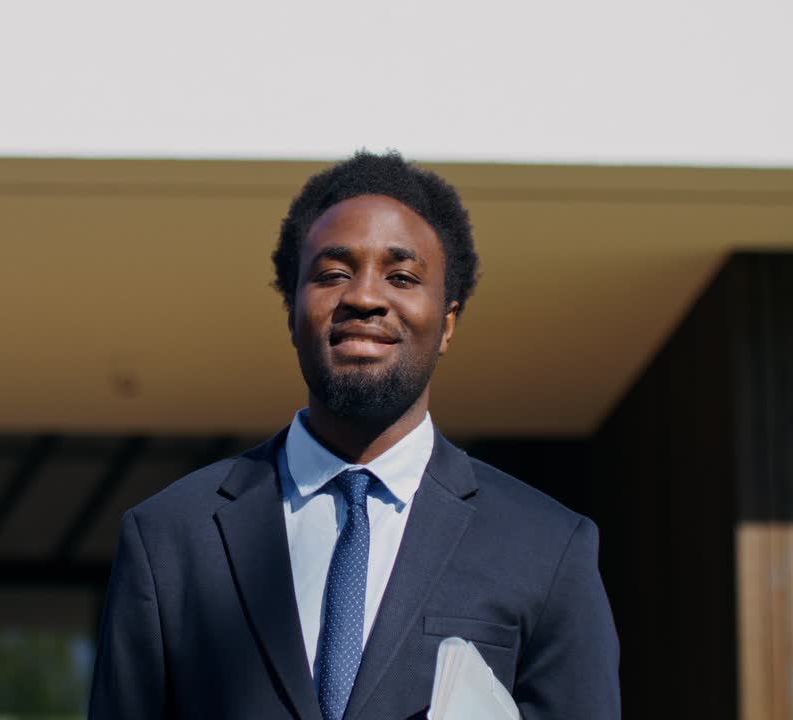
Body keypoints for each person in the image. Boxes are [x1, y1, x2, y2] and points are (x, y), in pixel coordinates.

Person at [89, 151, 620, 719]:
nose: (365, 298)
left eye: (402, 277)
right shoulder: (170, 537)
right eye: (333, 274)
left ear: (447, 324)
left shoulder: (547, 548)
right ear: (291, 311)